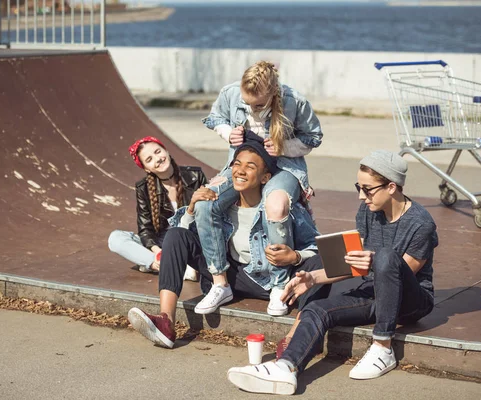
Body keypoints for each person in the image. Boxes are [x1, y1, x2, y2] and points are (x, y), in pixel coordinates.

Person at [227, 150, 438, 395]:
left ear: (391, 187)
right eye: (359, 187)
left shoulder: (421, 223)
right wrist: (314, 278)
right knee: (317, 309)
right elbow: (357, 263)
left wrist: (373, 261)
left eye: (367, 189)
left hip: (412, 302)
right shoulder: (369, 212)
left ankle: (383, 347)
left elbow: (400, 275)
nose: (361, 196)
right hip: (375, 294)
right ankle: (285, 367)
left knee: (386, 256)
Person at [127, 140, 330, 349]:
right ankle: (165, 321)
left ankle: (294, 340)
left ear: (265, 177)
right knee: (176, 236)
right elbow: (181, 239)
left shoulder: (284, 210)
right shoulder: (218, 207)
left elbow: (316, 249)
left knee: (317, 266)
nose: (240, 171)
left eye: (250, 167)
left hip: (269, 284)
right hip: (230, 277)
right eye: (236, 164)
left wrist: (294, 256)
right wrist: (192, 208)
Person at [195, 60, 324, 316]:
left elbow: (314, 137)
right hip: (243, 163)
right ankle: (220, 283)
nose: (251, 108)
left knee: (275, 204)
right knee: (205, 204)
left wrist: (284, 147)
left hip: (284, 167)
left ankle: (278, 285)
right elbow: (214, 118)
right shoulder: (231, 93)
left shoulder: (294, 101)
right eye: (247, 103)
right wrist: (227, 132)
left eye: (258, 104)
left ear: (273, 93)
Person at [108, 136, 207, 281]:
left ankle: (163, 264)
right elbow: (145, 230)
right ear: (146, 169)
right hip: (162, 245)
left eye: (157, 152)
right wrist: (158, 252)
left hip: (190, 241)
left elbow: (207, 216)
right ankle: (162, 264)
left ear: (166, 151)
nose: (157, 159)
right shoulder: (144, 188)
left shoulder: (195, 175)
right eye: (149, 160)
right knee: (116, 238)